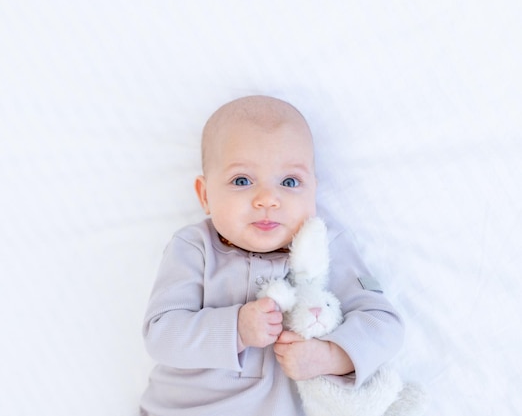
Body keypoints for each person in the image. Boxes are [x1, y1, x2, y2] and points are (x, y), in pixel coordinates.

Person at [139, 95, 404, 416]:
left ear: (313, 191)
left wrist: (331, 356)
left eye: (290, 182)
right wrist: (236, 328)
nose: (267, 199)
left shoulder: (326, 244)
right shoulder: (195, 247)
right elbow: (161, 336)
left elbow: (384, 324)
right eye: (242, 180)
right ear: (205, 195)